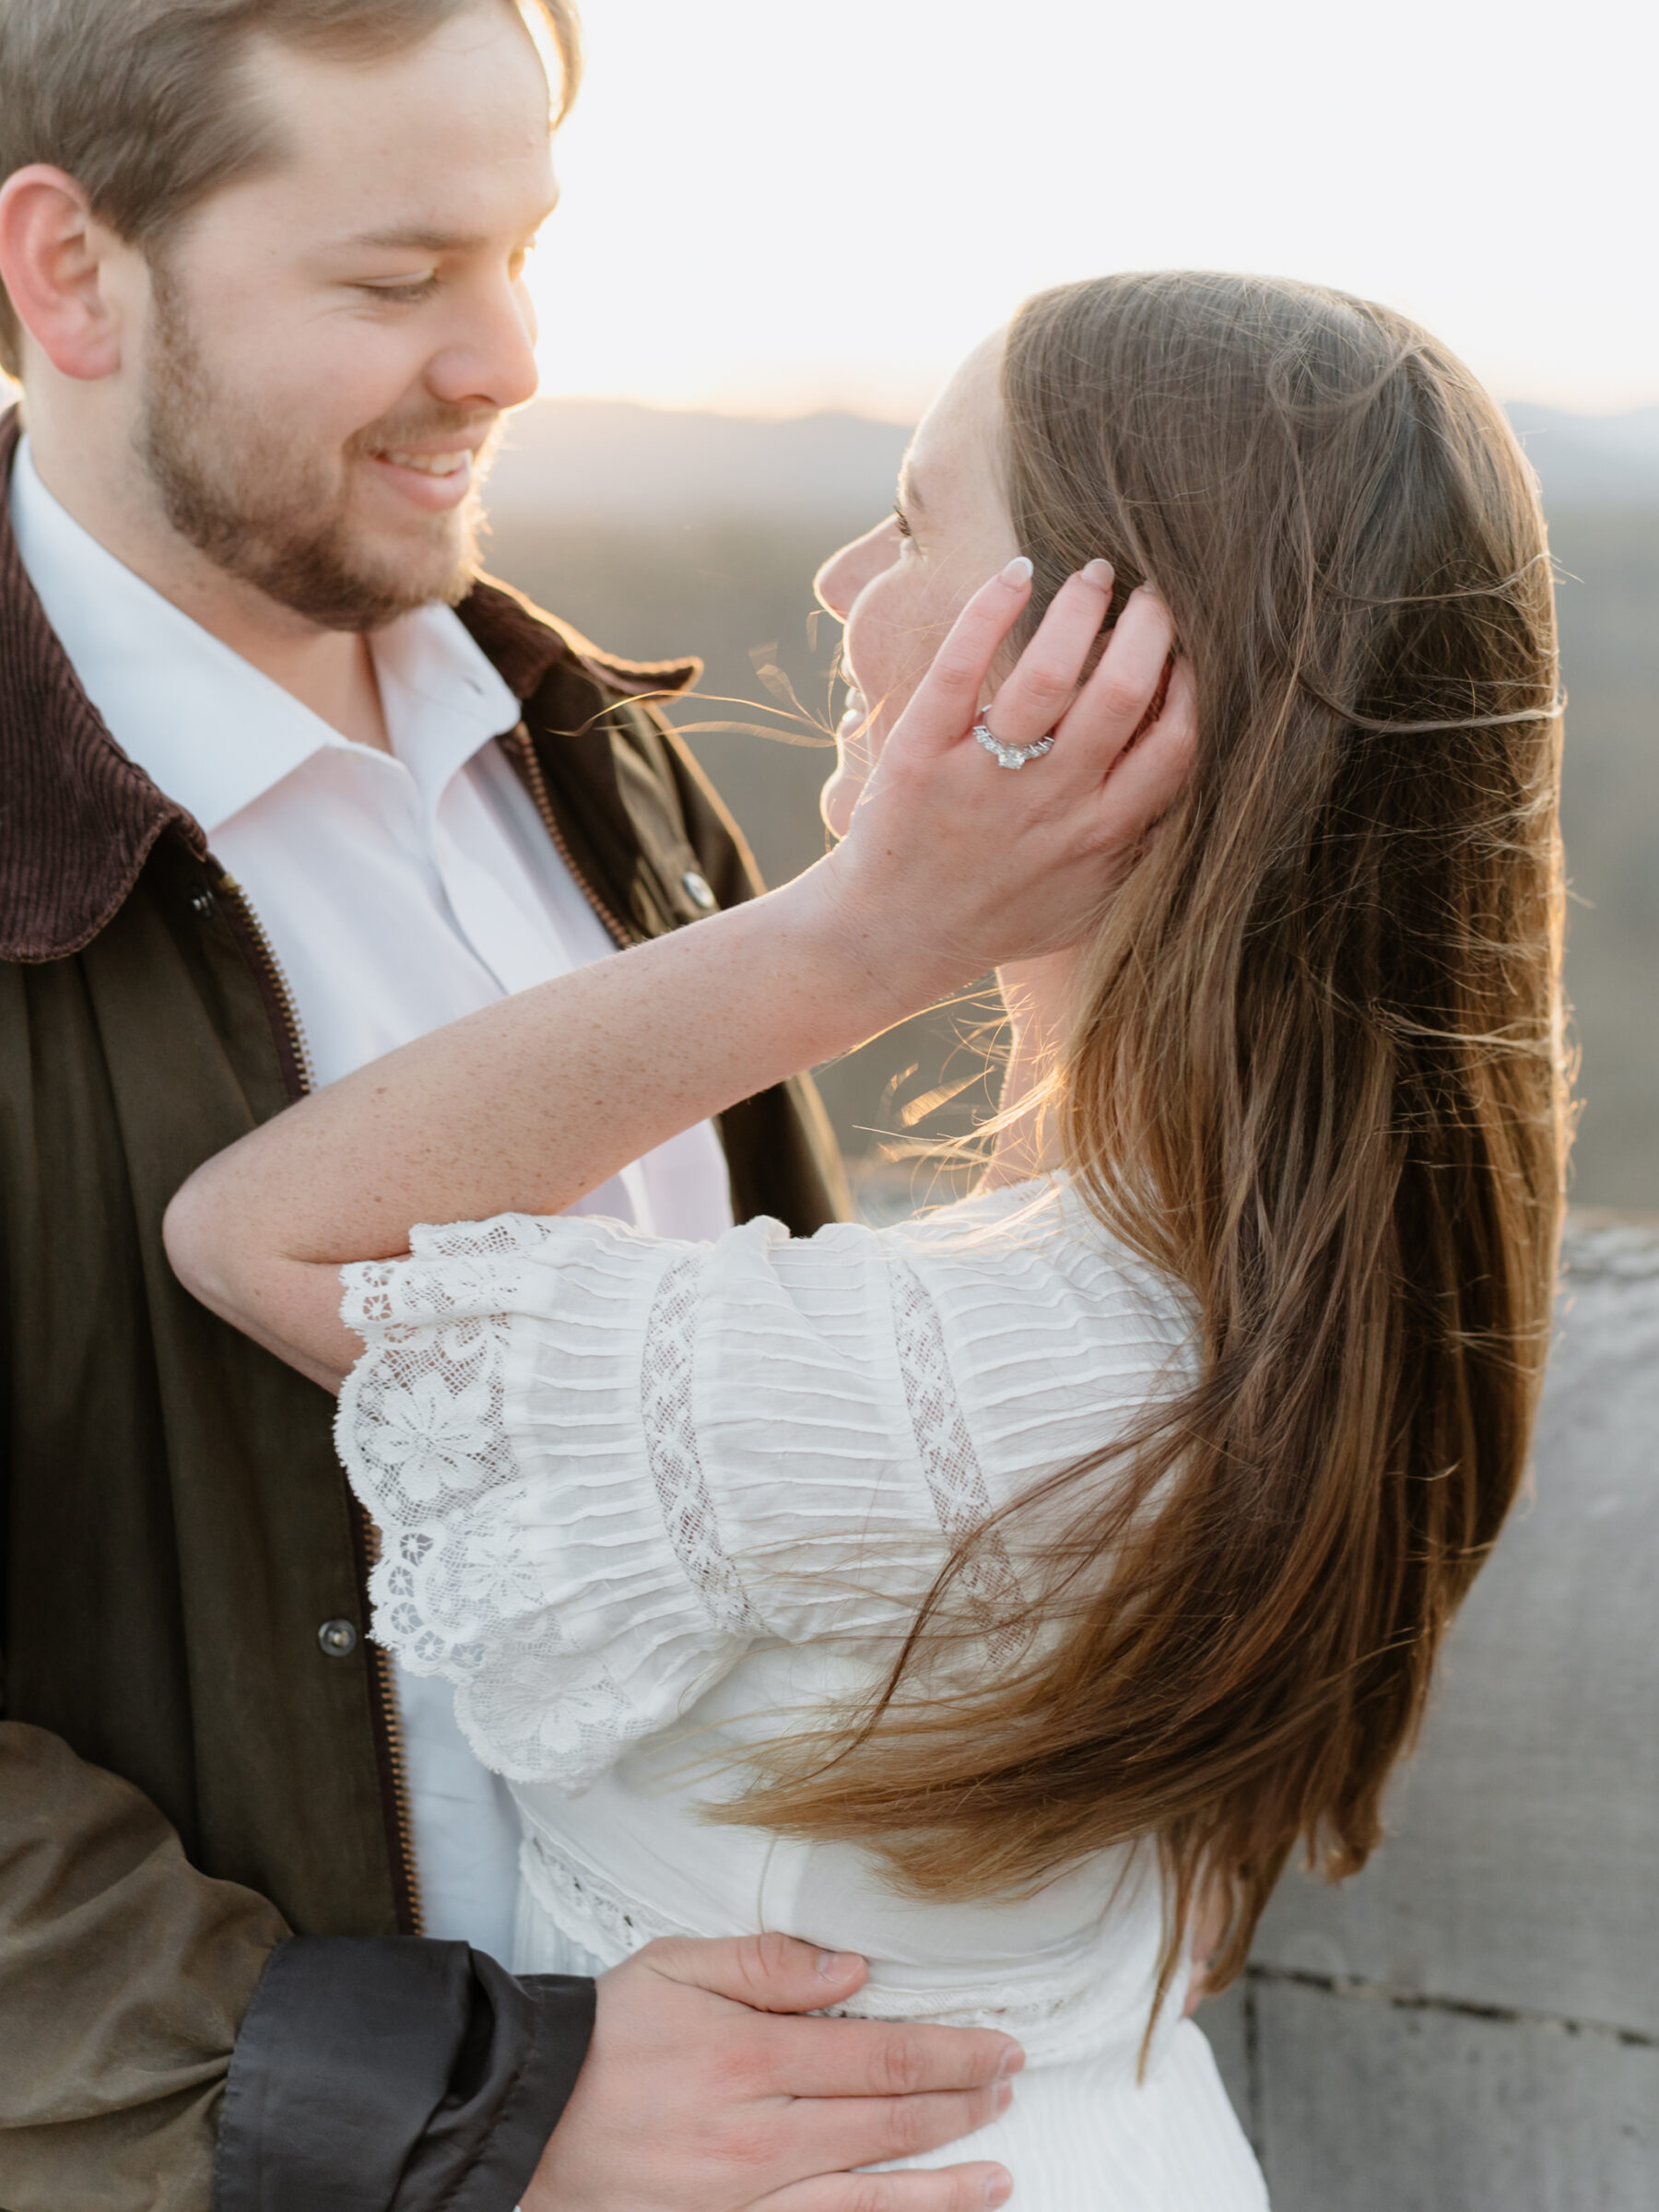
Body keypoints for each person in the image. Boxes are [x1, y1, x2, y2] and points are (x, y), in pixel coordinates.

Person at [164, 268, 1570, 2208]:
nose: (838, 583)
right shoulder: (1327, 1271)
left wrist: (857, 939)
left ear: (1114, 666)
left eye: (914, 522)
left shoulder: (952, 1383)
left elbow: (260, 1235)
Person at [0, 0, 1031, 2206]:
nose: (506, 359)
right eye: (393, 282)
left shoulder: (608, 773)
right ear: (67, 273)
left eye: (523, 252)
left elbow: (776, 1462)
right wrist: (447, 2114)